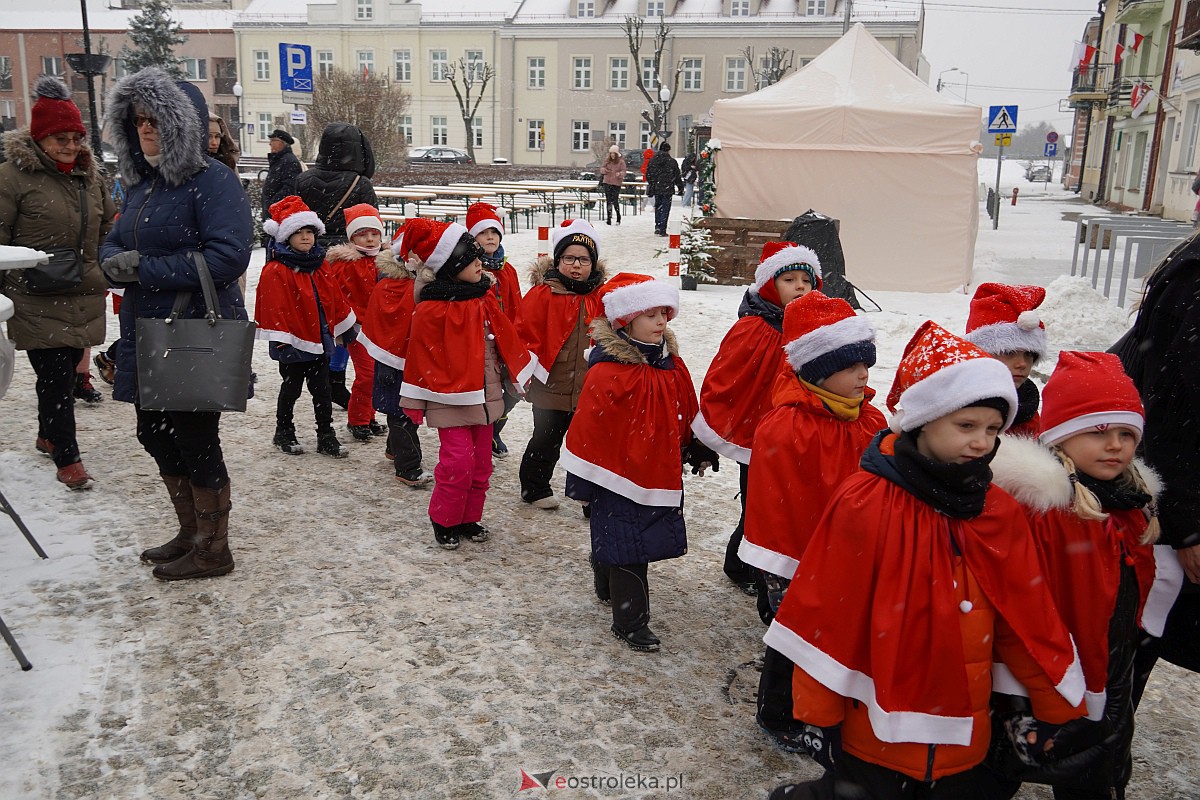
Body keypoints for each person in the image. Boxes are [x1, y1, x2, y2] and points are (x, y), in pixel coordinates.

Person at [765, 321, 1086, 800]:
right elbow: (827, 618)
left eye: (993, 429)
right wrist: (818, 715)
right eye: (966, 426)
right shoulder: (867, 501)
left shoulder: (996, 509)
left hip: (966, 730)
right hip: (873, 728)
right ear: (924, 420)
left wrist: (1044, 703)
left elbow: (1023, 615)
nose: (982, 442)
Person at [989, 352, 1183, 799]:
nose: (1115, 445)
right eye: (1097, 433)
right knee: (1010, 760)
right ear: (1061, 439)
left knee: (1098, 768)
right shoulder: (1046, 510)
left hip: (1112, 663)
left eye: (1125, 434)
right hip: (1049, 668)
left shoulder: (1130, 504)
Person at [99, 67, 253, 581]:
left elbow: (228, 257)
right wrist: (111, 258)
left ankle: (214, 548)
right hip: (146, 328)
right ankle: (191, 532)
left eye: (157, 120)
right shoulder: (141, 183)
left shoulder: (213, 180)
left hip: (192, 329)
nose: (146, 129)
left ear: (181, 124)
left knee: (194, 435)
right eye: (138, 120)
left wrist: (144, 267)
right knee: (153, 431)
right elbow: (117, 237)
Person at [739, 291, 886, 752]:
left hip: (846, 550)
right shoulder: (787, 425)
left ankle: (823, 706)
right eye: (851, 366)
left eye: (867, 364)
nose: (864, 374)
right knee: (794, 636)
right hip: (793, 554)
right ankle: (778, 711)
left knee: (835, 634)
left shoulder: (868, 419)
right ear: (819, 371)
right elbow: (779, 500)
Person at [562, 273, 719, 652]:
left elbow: (685, 408)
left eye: (664, 312)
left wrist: (697, 445)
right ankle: (630, 621)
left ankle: (607, 579)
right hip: (616, 474)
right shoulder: (608, 372)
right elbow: (590, 430)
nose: (662, 321)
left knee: (629, 540)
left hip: (656, 469)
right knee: (628, 545)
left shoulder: (671, 364)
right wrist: (585, 481)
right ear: (625, 321)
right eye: (650, 315)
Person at [0, 76, 116, 489]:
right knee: (52, 375)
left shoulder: (90, 178)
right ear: (38, 139)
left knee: (66, 374)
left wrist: (103, 262)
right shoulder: (11, 178)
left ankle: (48, 434)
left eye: (75, 137)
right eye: (59, 138)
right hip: (33, 293)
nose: (69, 146)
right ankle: (68, 456)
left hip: (82, 290)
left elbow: (107, 226)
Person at [692, 241, 821, 596]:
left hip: (800, 433)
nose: (799, 287)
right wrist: (712, 431)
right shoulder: (755, 328)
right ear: (769, 285)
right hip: (763, 434)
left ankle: (749, 562)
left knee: (783, 506)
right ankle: (743, 565)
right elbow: (726, 377)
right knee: (762, 506)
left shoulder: (815, 331)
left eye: (805, 281)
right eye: (789, 280)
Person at [399, 219, 536, 551]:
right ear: (450, 267)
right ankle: (444, 518)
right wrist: (415, 404)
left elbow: (504, 340)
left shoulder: (483, 298)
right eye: (470, 260)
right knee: (457, 462)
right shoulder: (431, 309)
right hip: (449, 399)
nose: (480, 264)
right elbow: (419, 360)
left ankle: (468, 517)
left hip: (487, 398)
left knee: (480, 465)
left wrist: (516, 374)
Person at [1111, 234, 1200, 694]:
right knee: (1133, 635)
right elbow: (1171, 415)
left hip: (1167, 498)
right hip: (1169, 505)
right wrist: (1187, 528)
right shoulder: (1193, 276)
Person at [254, 196, 355, 459]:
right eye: (299, 232)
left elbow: (333, 296)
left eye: (309, 231)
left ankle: (326, 435)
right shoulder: (275, 269)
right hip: (292, 340)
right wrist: (282, 338)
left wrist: (344, 326)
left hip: (319, 337)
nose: (306, 237)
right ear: (287, 236)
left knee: (322, 388)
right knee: (291, 387)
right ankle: (284, 430)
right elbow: (273, 307)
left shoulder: (320, 264)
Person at [518, 220, 607, 510]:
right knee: (546, 438)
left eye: (583, 259)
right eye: (569, 258)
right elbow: (524, 333)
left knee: (589, 444)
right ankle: (534, 486)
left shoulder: (602, 297)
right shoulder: (544, 294)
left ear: (593, 264)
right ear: (558, 261)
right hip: (551, 383)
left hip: (589, 387)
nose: (576, 265)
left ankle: (587, 495)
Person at [297, 122, 379, 407]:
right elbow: (371, 223)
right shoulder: (360, 183)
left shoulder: (304, 180)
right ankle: (337, 380)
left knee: (325, 323)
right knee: (349, 321)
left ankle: (326, 379)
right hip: (349, 260)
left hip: (313, 260)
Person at [360, 226, 431, 487]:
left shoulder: (425, 284)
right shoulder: (390, 285)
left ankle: (394, 448)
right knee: (402, 412)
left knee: (403, 410)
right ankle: (408, 466)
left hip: (414, 358)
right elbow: (383, 322)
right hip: (391, 360)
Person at [466, 202, 523, 457]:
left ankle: (496, 426)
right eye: (483, 233)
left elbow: (517, 303)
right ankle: (485, 432)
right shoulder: (470, 269)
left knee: (514, 389)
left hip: (506, 338)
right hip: (480, 341)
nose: (490, 237)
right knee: (486, 391)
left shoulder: (507, 269)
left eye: (494, 232)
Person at [326, 204, 386, 442]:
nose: (370, 239)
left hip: (379, 328)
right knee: (368, 374)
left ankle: (369, 415)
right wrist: (346, 324)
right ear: (352, 237)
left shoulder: (384, 260)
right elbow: (337, 296)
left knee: (377, 373)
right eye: (363, 234)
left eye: (374, 233)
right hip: (357, 327)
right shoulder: (346, 264)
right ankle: (358, 419)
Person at [964, 282, 1048, 438]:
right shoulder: (954, 406)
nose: (1022, 364)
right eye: (1008, 352)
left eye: (1029, 354)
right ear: (981, 353)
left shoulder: (1027, 407)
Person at [261, 129, 300, 224]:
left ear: (281, 143)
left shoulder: (289, 161)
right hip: (274, 212)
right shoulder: (279, 159)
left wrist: (272, 204)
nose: (270, 144)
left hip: (280, 214)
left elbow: (290, 187)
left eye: (273, 140)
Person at [645, 142, 683, 237]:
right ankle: (663, 228)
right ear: (668, 150)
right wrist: (680, 187)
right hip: (667, 188)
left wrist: (652, 183)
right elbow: (677, 176)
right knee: (665, 209)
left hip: (657, 188)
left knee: (658, 207)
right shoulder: (672, 161)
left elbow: (648, 174)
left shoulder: (653, 160)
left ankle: (657, 226)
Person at [598, 145, 627, 225]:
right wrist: (604, 170)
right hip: (607, 182)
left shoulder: (621, 162)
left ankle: (618, 216)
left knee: (615, 201)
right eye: (611, 153)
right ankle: (609, 218)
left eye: (614, 153)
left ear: (617, 154)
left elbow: (624, 171)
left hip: (616, 183)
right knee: (608, 201)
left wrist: (620, 174)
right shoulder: (607, 161)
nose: (612, 155)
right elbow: (601, 169)